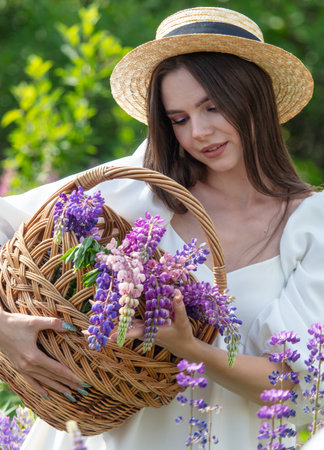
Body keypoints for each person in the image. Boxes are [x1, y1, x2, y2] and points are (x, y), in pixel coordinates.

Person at [0, 6, 322, 449]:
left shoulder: (310, 224)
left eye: (213, 106)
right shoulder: (142, 187)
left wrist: (191, 348)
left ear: (253, 98)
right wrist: (4, 328)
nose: (200, 133)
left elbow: (297, 388)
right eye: (179, 119)